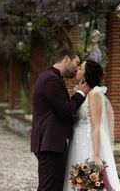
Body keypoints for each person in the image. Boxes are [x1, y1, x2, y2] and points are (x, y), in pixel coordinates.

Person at [31, 48, 91, 191]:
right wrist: (81, 93)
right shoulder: (51, 79)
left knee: (52, 187)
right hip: (50, 143)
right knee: (49, 187)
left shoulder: (52, 76)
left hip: (51, 142)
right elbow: (66, 110)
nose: (77, 69)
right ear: (66, 59)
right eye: (77, 63)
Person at [63, 60, 120, 191]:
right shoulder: (82, 94)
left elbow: (96, 127)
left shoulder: (95, 94)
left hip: (89, 142)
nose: (77, 70)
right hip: (76, 142)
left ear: (86, 74)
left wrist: (96, 155)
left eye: (80, 68)